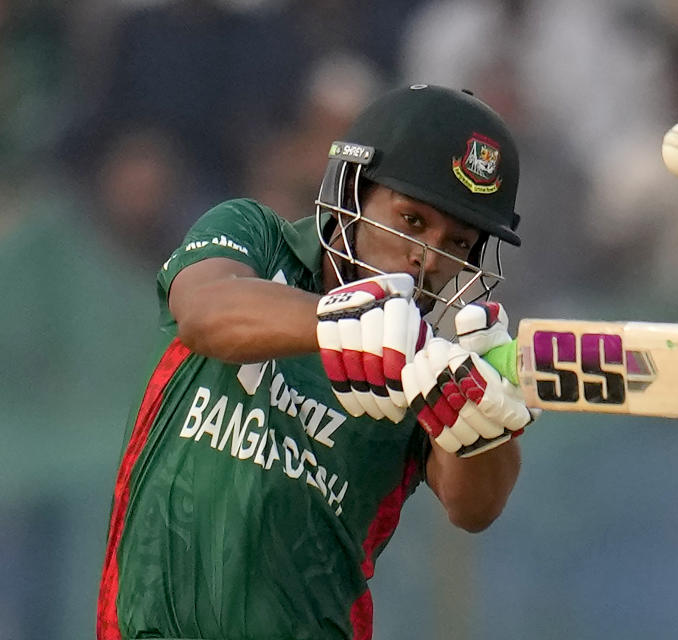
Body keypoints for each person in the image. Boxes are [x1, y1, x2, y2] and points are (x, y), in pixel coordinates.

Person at [96, 84, 537, 640]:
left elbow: (475, 507)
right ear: (351, 193)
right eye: (412, 221)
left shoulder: (429, 362)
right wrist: (344, 322)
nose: (426, 258)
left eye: (457, 242)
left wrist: (482, 428)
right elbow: (204, 310)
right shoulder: (255, 237)